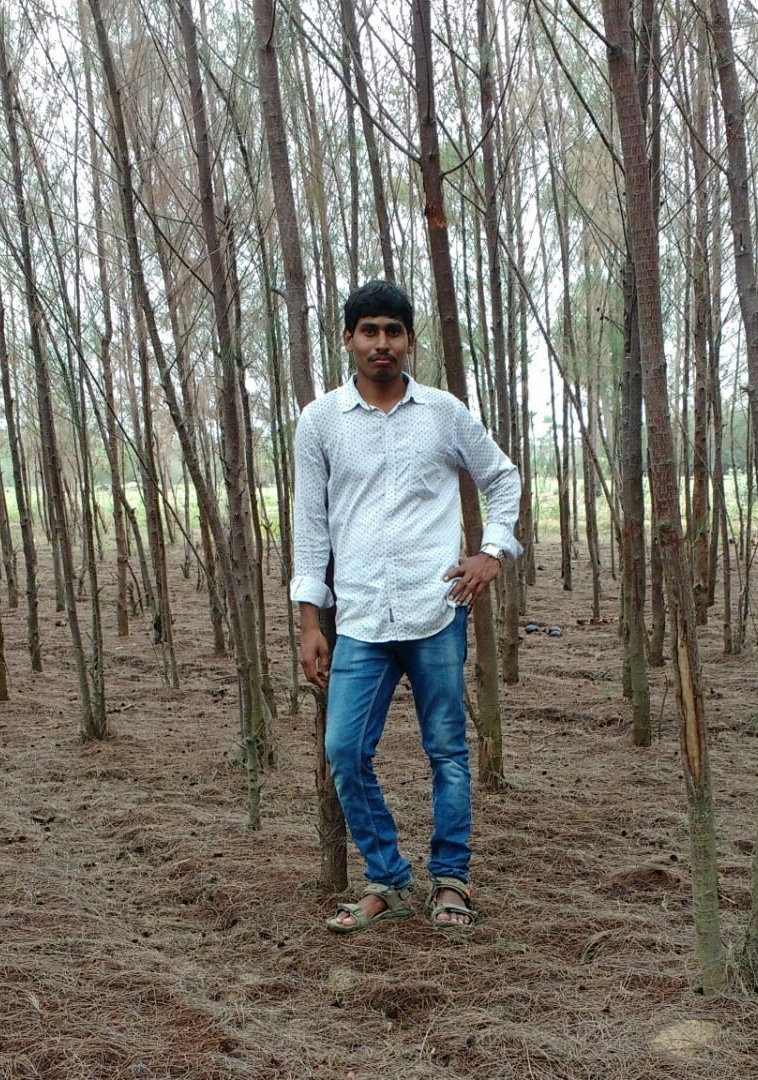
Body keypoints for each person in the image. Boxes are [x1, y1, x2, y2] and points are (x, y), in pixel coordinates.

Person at [290, 280, 522, 933]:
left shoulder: (443, 413)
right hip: (360, 619)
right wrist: (309, 621)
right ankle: (388, 880)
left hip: (435, 611)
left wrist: (491, 552)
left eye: (393, 331)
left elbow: (502, 477)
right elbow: (310, 526)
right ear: (348, 339)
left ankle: (451, 881)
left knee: (446, 750)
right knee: (344, 750)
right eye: (369, 331)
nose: (382, 343)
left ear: (410, 340)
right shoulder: (320, 422)